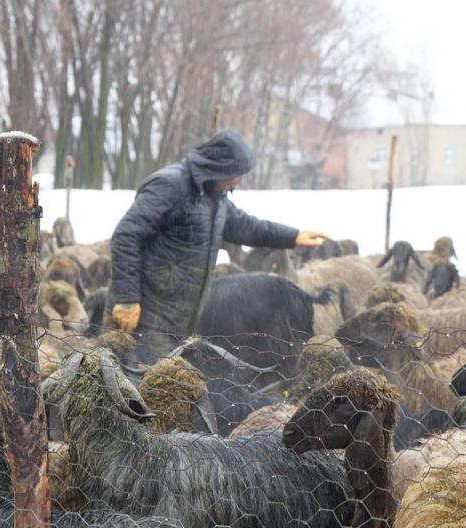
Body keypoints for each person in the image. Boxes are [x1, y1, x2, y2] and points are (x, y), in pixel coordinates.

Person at [108, 130, 329, 363]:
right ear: (218, 167)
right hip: (146, 314)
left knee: (171, 377)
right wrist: (127, 299)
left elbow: (247, 227)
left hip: (180, 317)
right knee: (144, 377)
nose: (240, 181)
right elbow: (126, 236)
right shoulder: (170, 185)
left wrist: (293, 236)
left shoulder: (214, 195)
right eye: (237, 173)